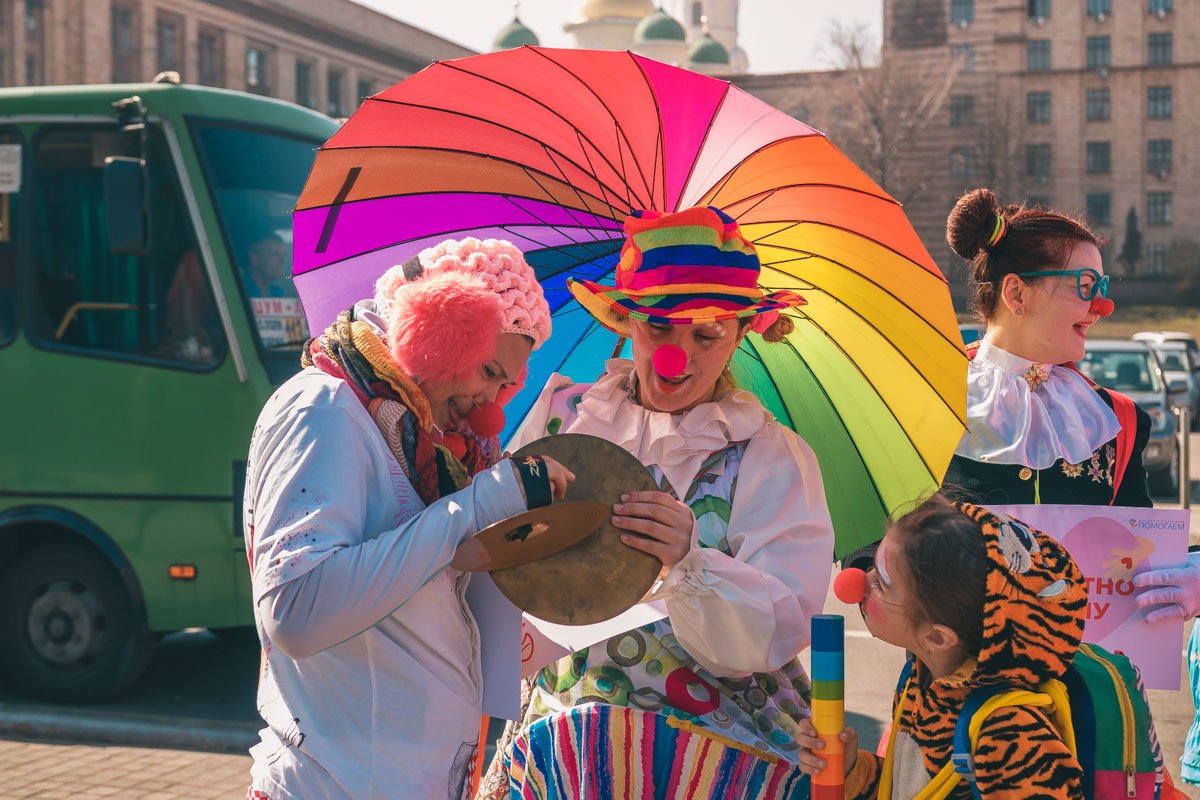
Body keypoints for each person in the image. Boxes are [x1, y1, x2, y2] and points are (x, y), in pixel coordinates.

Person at [478, 206, 836, 799]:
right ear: (626, 321)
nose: (679, 355)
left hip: (711, 743)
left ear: (742, 333)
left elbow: (779, 630)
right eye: (659, 328)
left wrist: (689, 562)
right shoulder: (564, 414)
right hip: (567, 737)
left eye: (707, 334)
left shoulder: (770, 455)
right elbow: (498, 546)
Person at [243, 237, 571, 800]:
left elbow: (417, 588)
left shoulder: (436, 450)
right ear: (439, 329)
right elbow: (296, 611)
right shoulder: (325, 409)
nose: (490, 406)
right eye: (489, 372)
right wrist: (475, 507)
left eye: (505, 385)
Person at [797, 496, 1173, 799]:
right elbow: (911, 785)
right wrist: (853, 771)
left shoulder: (1010, 733)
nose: (856, 582)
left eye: (883, 581)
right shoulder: (926, 676)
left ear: (937, 636)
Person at [245, 232, 295, 298]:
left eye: (283, 256)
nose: (282, 262)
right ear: (255, 258)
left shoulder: (278, 293)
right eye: (275, 254)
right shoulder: (240, 290)